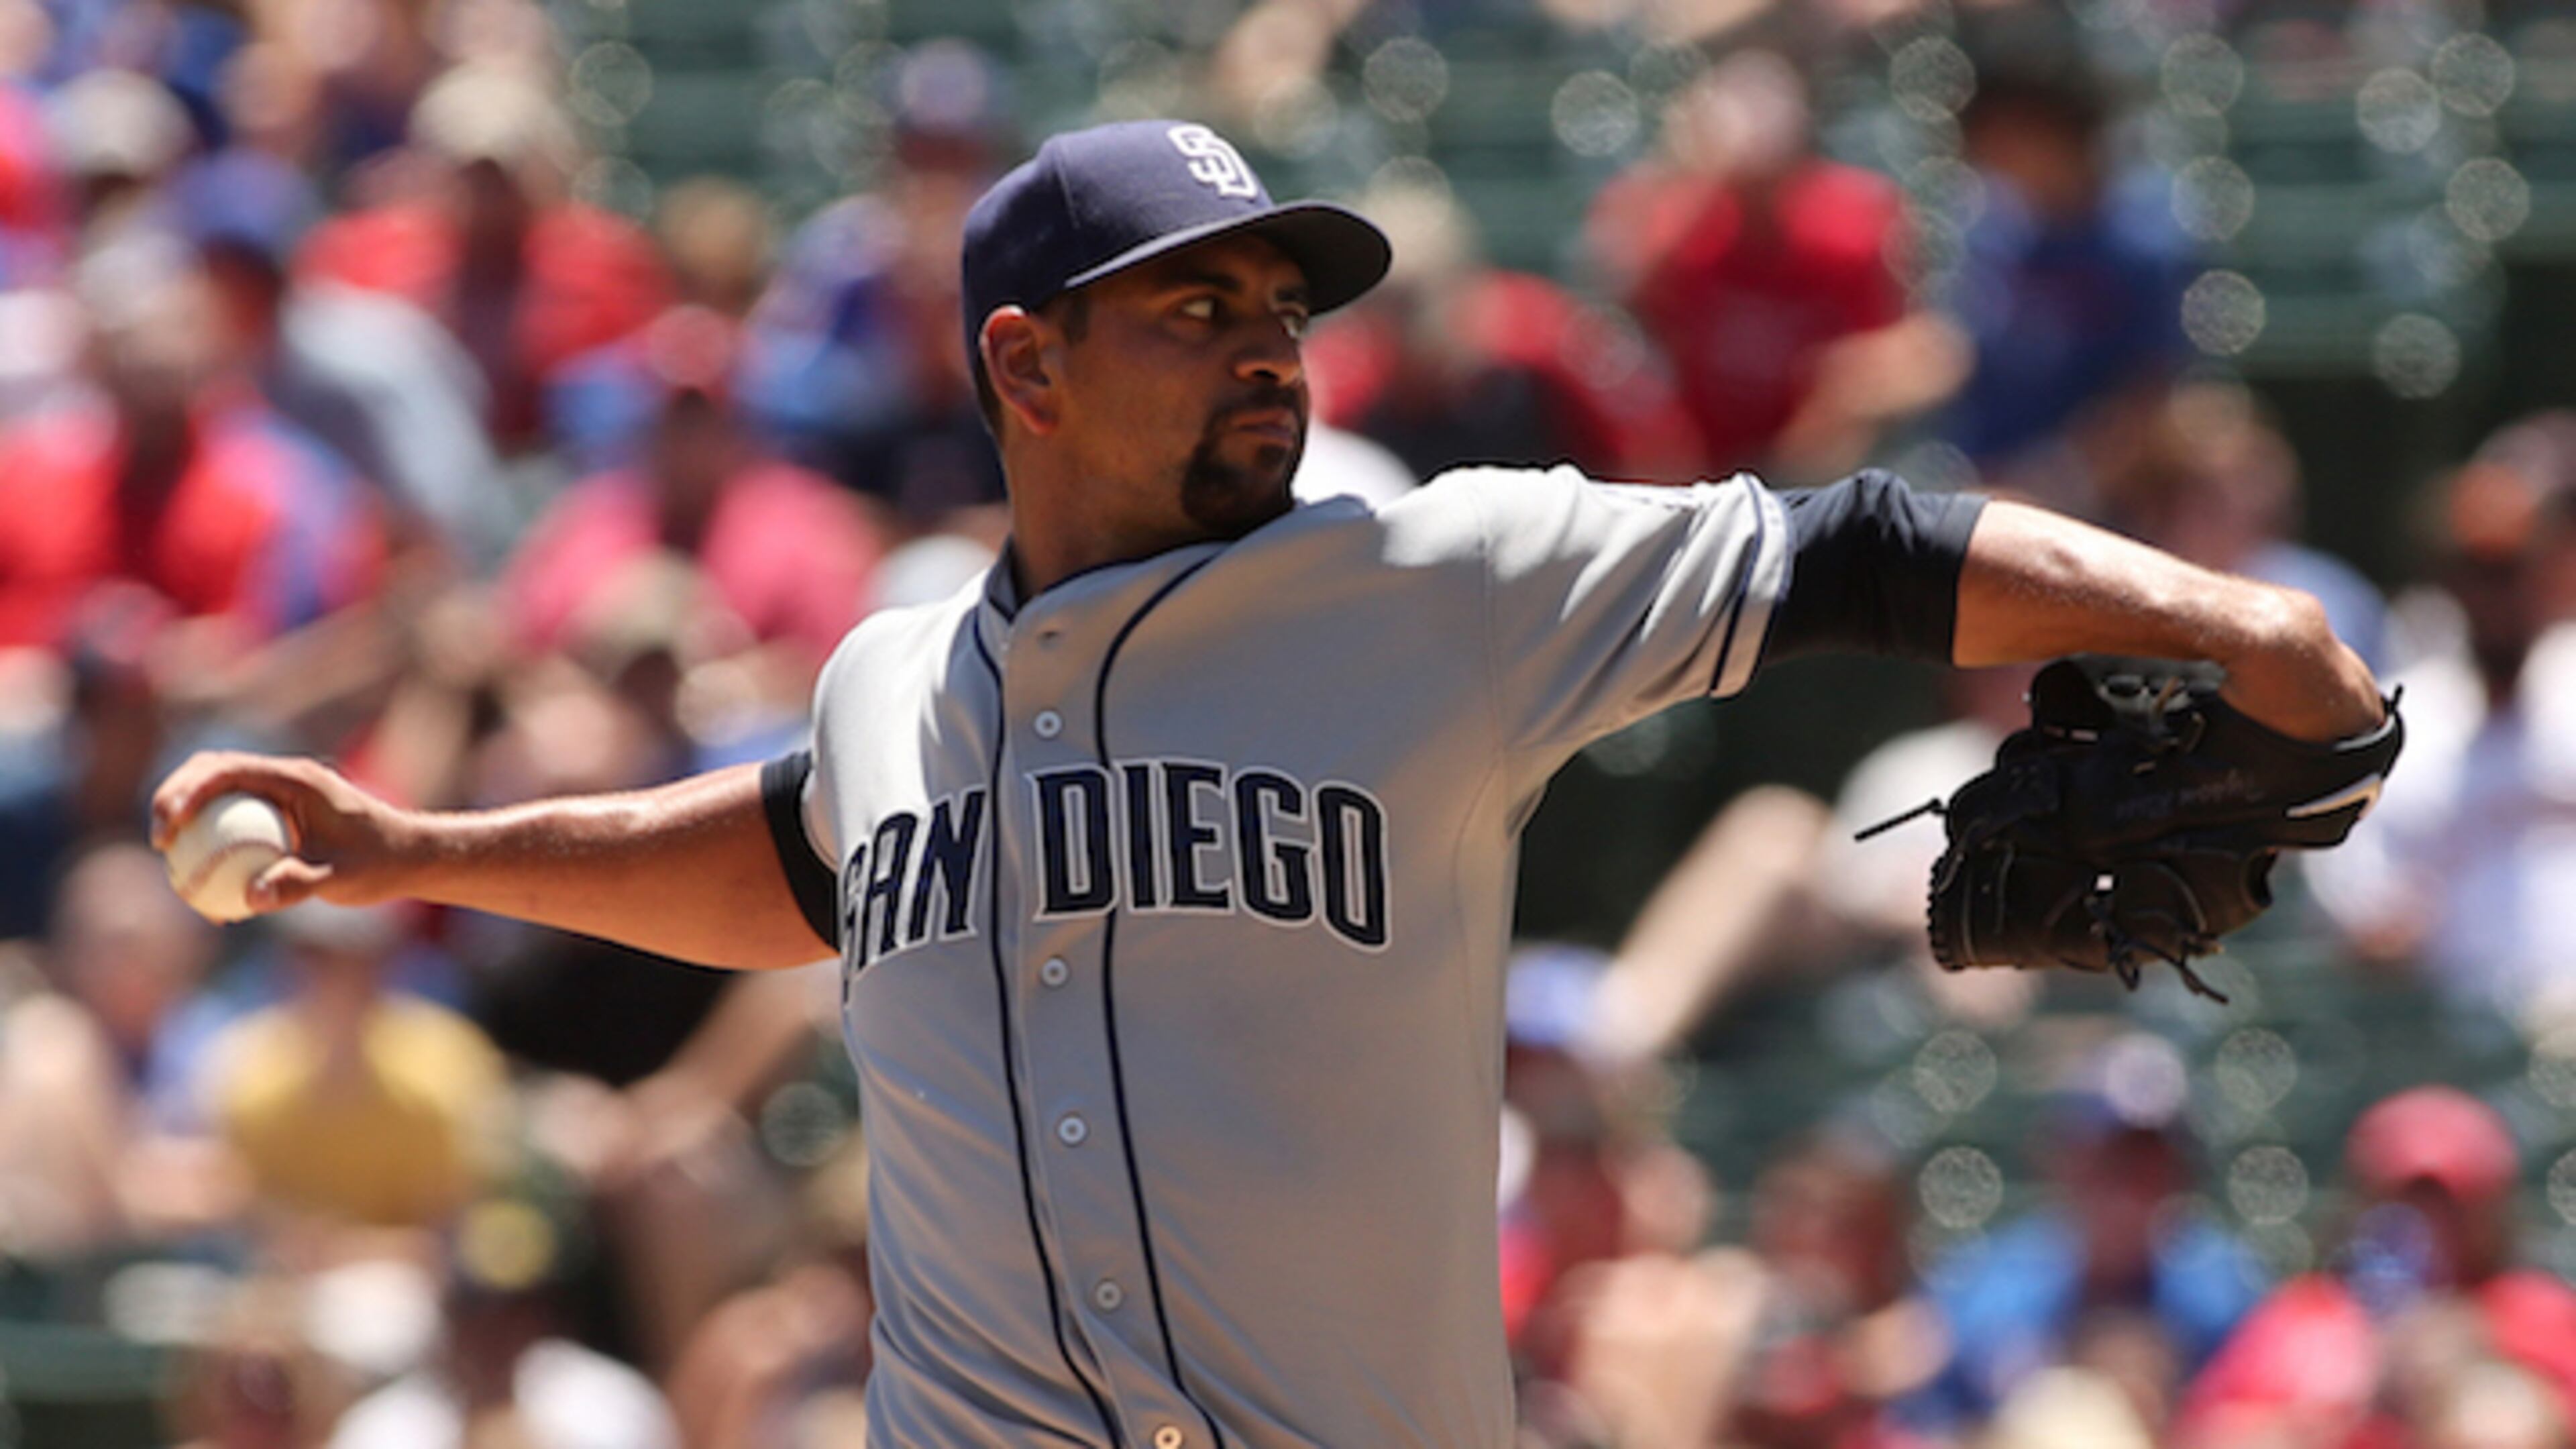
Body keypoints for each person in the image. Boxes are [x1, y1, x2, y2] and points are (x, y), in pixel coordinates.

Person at [156, 118, 2387, 1447]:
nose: (1263, 344)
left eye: (1280, 309)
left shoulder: (1448, 579)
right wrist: (416, 849)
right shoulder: (884, 677)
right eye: (1191, 305)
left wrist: (2237, 629)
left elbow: (1861, 551)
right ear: (1021, 362)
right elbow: (792, 859)